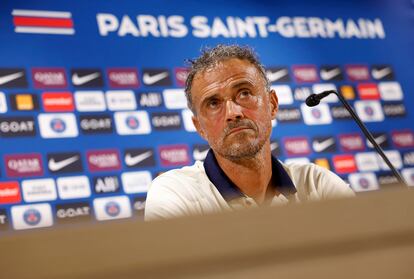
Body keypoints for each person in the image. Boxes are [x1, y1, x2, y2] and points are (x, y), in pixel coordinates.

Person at [145, 44, 354, 221]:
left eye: (244, 93)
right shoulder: (175, 194)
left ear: (272, 104)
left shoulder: (318, 185)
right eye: (213, 103)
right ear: (199, 127)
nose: (233, 113)